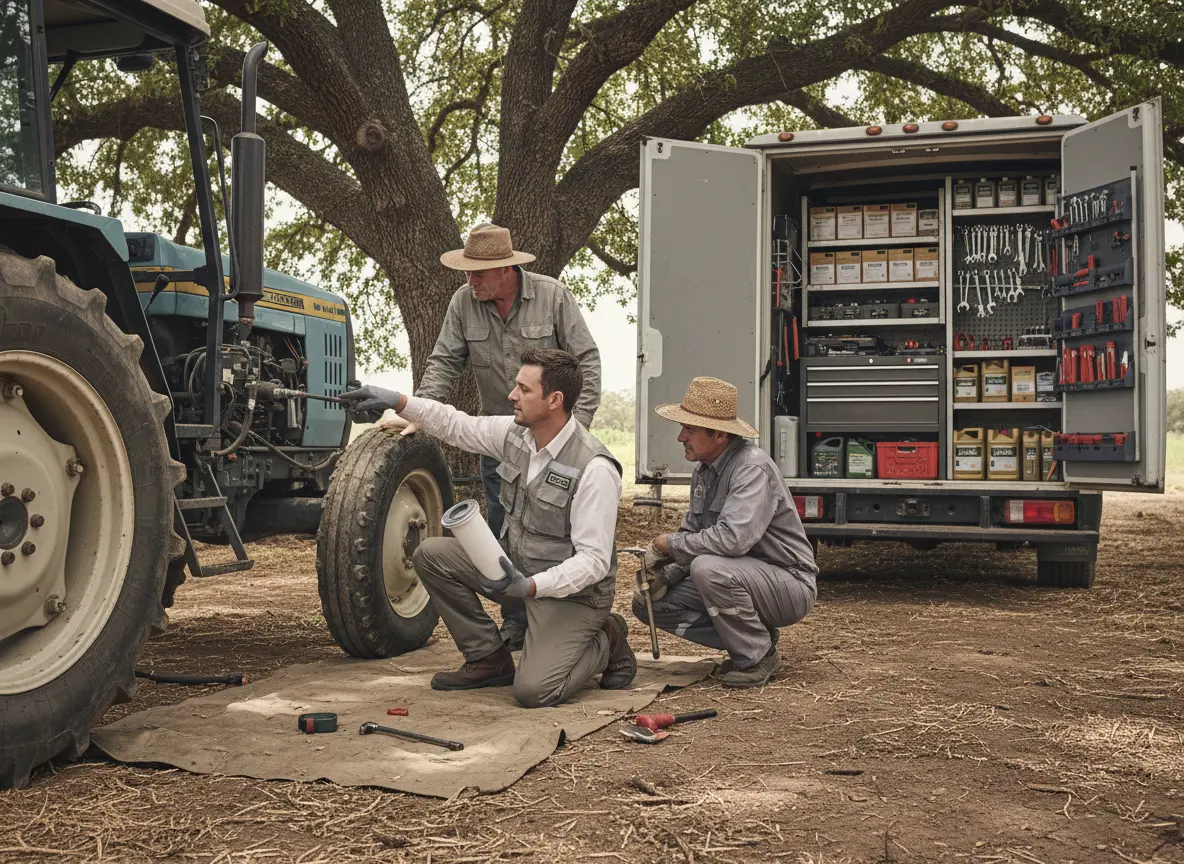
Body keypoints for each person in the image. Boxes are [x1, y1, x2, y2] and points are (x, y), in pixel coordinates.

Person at [340, 349, 634, 708]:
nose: (512, 396)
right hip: (515, 575)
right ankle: (488, 659)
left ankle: (607, 638)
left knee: (534, 692)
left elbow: (593, 563)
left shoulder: (594, 468)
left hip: (571, 598)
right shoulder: (513, 435)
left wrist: (530, 587)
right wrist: (398, 400)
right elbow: (456, 425)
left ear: (554, 400)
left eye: (524, 389)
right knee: (431, 555)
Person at [386, 223, 602, 652]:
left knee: (559, 530)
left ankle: (568, 615)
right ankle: (516, 623)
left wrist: (573, 434)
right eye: (467, 273)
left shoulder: (554, 296)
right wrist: (421, 412)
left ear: (506, 269)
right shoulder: (463, 303)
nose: (470, 281)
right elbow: (444, 360)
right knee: (503, 529)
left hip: (555, 439)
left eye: (478, 273)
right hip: (501, 440)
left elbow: (587, 364)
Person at [635, 376, 817, 688]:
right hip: (740, 578)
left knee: (709, 569)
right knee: (647, 604)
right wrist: (665, 577)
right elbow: (693, 534)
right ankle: (752, 639)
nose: (680, 437)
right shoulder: (704, 471)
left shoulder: (751, 468)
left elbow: (732, 540)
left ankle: (757, 656)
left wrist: (666, 545)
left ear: (719, 434)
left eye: (689, 429)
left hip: (789, 582)